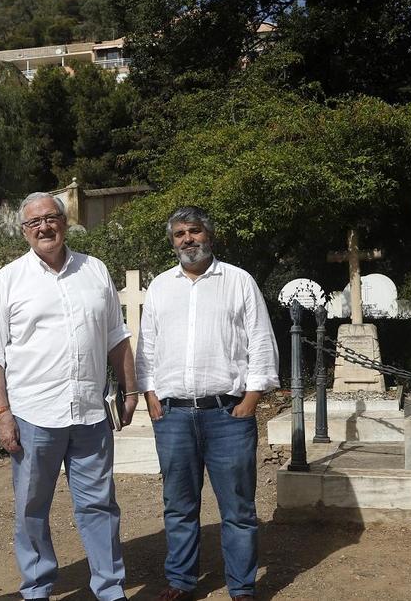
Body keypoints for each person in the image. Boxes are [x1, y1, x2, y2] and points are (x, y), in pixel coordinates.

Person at [0, 192, 139, 601]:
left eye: (51, 218)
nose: (43, 228)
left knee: (100, 507)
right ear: (23, 231)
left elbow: (116, 337)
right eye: (33, 223)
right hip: (33, 415)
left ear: (65, 222)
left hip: (90, 412)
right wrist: (2, 412)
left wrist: (131, 387)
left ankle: (109, 589)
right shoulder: (9, 278)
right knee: (31, 508)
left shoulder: (95, 270)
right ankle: (36, 588)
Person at [136, 206, 279, 601]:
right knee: (179, 505)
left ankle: (242, 586)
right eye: (180, 234)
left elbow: (261, 341)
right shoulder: (161, 287)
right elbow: (146, 346)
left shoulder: (238, 281)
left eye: (194, 232)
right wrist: (150, 396)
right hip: (174, 415)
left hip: (227, 414)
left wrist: (251, 399)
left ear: (209, 236)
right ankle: (181, 581)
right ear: (172, 241)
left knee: (238, 508)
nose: (187, 240)